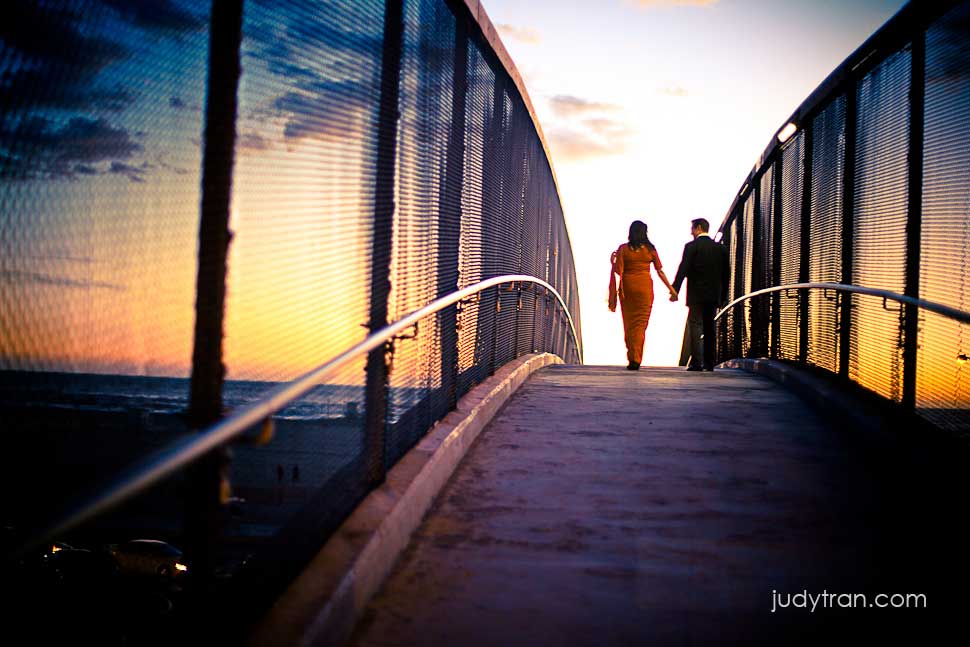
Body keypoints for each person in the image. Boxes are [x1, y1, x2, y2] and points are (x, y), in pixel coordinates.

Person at [608, 220, 677, 370]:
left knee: (629, 324)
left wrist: (612, 261)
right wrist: (671, 289)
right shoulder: (650, 249)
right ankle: (636, 358)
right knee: (640, 325)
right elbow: (660, 271)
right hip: (645, 290)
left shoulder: (623, 249)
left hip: (627, 290)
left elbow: (618, 271)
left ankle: (632, 356)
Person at [671, 218, 730, 371]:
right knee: (710, 327)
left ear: (698, 228)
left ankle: (696, 362)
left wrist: (674, 289)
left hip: (696, 295)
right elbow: (726, 275)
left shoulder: (691, 247)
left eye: (692, 229)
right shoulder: (721, 249)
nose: (691, 232)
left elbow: (683, 269)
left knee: (695, 326)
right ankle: (709, 363)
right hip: (713, 295)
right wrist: (723, 296)